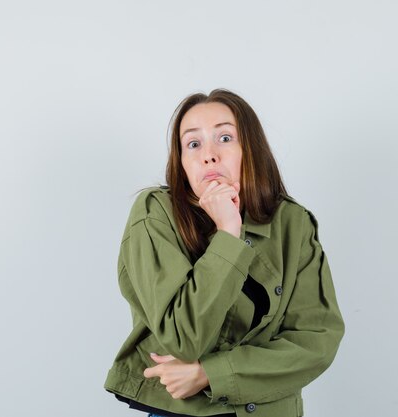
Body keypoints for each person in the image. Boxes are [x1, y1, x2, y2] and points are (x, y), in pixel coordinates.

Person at [104, 88, 345, 417]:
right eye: (193, 143)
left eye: (225, 138)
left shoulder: (293, 223)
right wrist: (228, 233)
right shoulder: (155, 214)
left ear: (251, 149)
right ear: (183, 163)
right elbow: (183, 339)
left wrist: (210, 374)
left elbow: (317, 341)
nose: (209, 155)